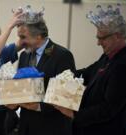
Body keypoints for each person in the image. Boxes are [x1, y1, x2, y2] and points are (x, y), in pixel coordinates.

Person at [55, 4, 126, 135]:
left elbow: (109, 108)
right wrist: (63, 76)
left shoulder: (124, 64)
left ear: (117, 36)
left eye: (102, 38)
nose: (98, 43)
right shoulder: (108, 56)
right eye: (97, 38)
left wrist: (74, 114)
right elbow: (88, 72)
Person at [7, 5, 76, 135]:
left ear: (38, 36)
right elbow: (22, 88)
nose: (20, 42)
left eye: (23, 37)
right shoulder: (24, 55)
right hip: (26, 127)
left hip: (51, 127)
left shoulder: (62, 55)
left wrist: (38, 106)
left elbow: (66, 96)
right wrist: (13, 101)